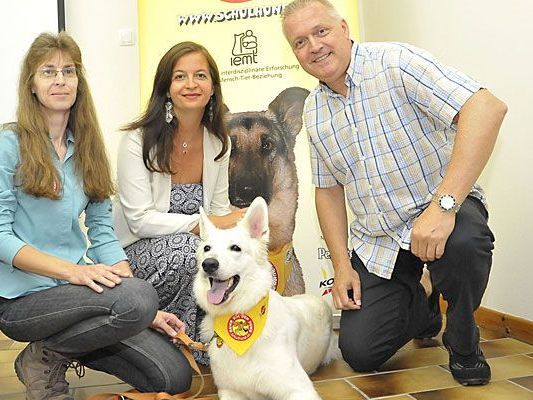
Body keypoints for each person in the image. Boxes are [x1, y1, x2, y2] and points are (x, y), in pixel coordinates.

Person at [281, 0, 507, 386]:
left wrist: (443, 207)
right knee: (360, 352)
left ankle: (463, 332)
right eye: (300, 42)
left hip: (440, 209)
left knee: (467, 243)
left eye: (321, 32)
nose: (314, 46)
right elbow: (328, 190)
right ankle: (426, 310)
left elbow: (486, 108)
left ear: (344, 28)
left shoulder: (395, 61)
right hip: (379, 236)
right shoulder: (315, 110)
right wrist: (340, 264)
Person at [0, 32, 193, 399]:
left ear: (79, 81)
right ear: (32, 85)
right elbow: (1, 238)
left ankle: (54, 351)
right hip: (21, 301)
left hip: (78, 295)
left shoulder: (88, 146)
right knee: (136, 298)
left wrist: (145, 312)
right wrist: (76, 272)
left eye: (69, 71)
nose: (60, 80)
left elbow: (102, 230)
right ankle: (44, 356)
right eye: (48, 72)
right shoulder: (8, 145)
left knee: (173, 379)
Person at [113, 41, 245, 365]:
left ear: (212, 87)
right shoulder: (137, 141)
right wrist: (201, 227)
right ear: (166, 88)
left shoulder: (218, 142)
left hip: (192, 247)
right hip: (134, 256)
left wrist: (237, 225)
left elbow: (219, 209)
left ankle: (206, 343)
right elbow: (139, 220)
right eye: (180, 77)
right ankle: (165, 341)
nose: (190, 84)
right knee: (191, 251)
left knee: (238, 255)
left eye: (200, 75)